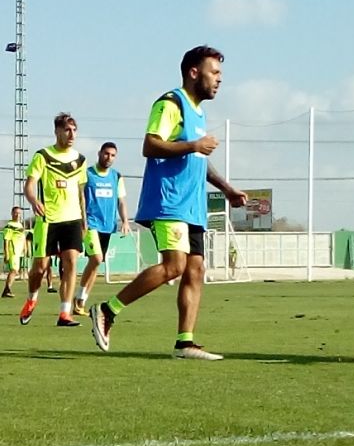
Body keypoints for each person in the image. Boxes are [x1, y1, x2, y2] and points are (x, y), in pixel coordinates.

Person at [89, 45, 247, 360]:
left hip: (193, 207)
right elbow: (150, 145)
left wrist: (227, 188)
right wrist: (193, 144)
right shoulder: (170, 103)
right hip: (169, 201)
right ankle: (108, 310)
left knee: (196, 268)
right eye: (214, 72)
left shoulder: (199, 112)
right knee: (174, 266)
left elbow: (198, 159)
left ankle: (185, 343)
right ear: (193, 72)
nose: (219, 80)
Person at [21, 112, 88, 326]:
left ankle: (65, 313)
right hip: (48, 219)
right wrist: (33, 200)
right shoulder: (43, 156)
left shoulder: (80, 160)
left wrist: (84, 221)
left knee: (71, 263)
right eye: (67, 130)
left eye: (74, 130)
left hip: (73, 219)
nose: (71, 134)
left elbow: (81, 194)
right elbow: (30, 184)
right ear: (57, 131)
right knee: (40, 267)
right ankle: (32, 299)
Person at [73, 142, 131, 315]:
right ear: (99, 153)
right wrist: (81, 221)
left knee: (96, 264)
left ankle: (80, 301)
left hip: (107, 226)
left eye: (113, 155)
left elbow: (121, 201)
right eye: (106, 154)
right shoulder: (88, 174)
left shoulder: (116, 177)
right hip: (91, 224)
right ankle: (78, 299)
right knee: (96, 259)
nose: (109, 158)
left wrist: (125, 221)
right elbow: (79, 197)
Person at [2, 206, 26, 298]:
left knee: (15, 271)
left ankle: (6, 290)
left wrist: (24, 248)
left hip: (18, 252)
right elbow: (6, 240)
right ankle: (7, 290)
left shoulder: (20, 225)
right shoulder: (10, 225)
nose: (17, 215)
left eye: (19, 213)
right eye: (16, 213)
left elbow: (22, 237)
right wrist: (7, 253)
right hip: (13, 251)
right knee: (14, 270)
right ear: (12, 214)